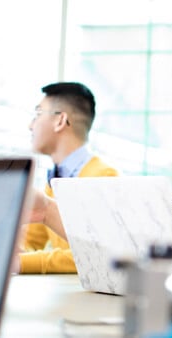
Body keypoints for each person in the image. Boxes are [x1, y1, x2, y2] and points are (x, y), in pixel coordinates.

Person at [13, 82, 119, 274]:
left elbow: (96, 253)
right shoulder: (53, 182)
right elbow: (30, 243)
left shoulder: (104, 177)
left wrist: (20, 262)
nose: (30, 126)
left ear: (60, 121)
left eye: (37, 114)